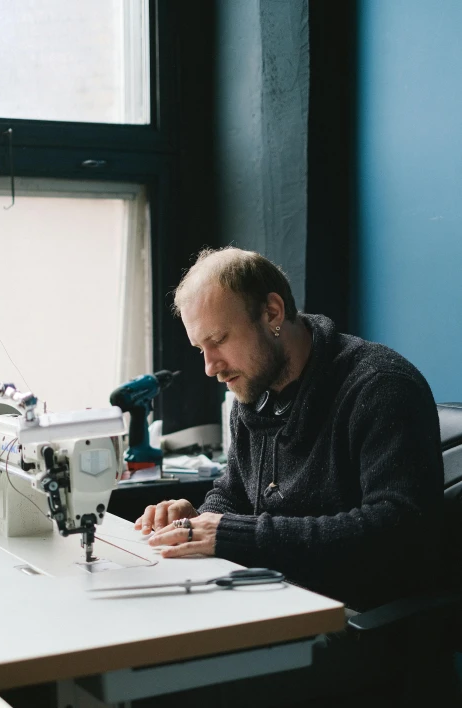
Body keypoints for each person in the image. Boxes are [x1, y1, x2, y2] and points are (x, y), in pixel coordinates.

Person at [136, 246, 445, 611]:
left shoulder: (381, 386)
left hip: (356, 628)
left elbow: (394, 530)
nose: (210, 366)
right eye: (200, 348)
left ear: (272, 313)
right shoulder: (254, 390)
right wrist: (197, 520)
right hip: (274, 602)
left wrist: (228, 534)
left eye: (218, 340)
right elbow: (233, 492)